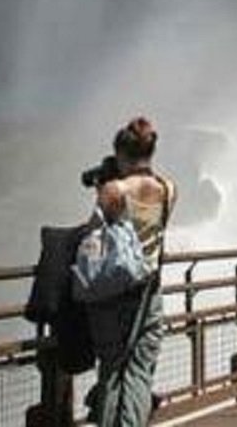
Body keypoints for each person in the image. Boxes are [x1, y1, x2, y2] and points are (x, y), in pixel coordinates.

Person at [88, 117, 177, 426]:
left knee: (113, 370)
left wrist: (101, 187)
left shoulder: (113, 191)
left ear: (121, 154)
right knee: (140, 371)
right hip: (151, 292)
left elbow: (96, 238)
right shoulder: (168, 189)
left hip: (115, 295)